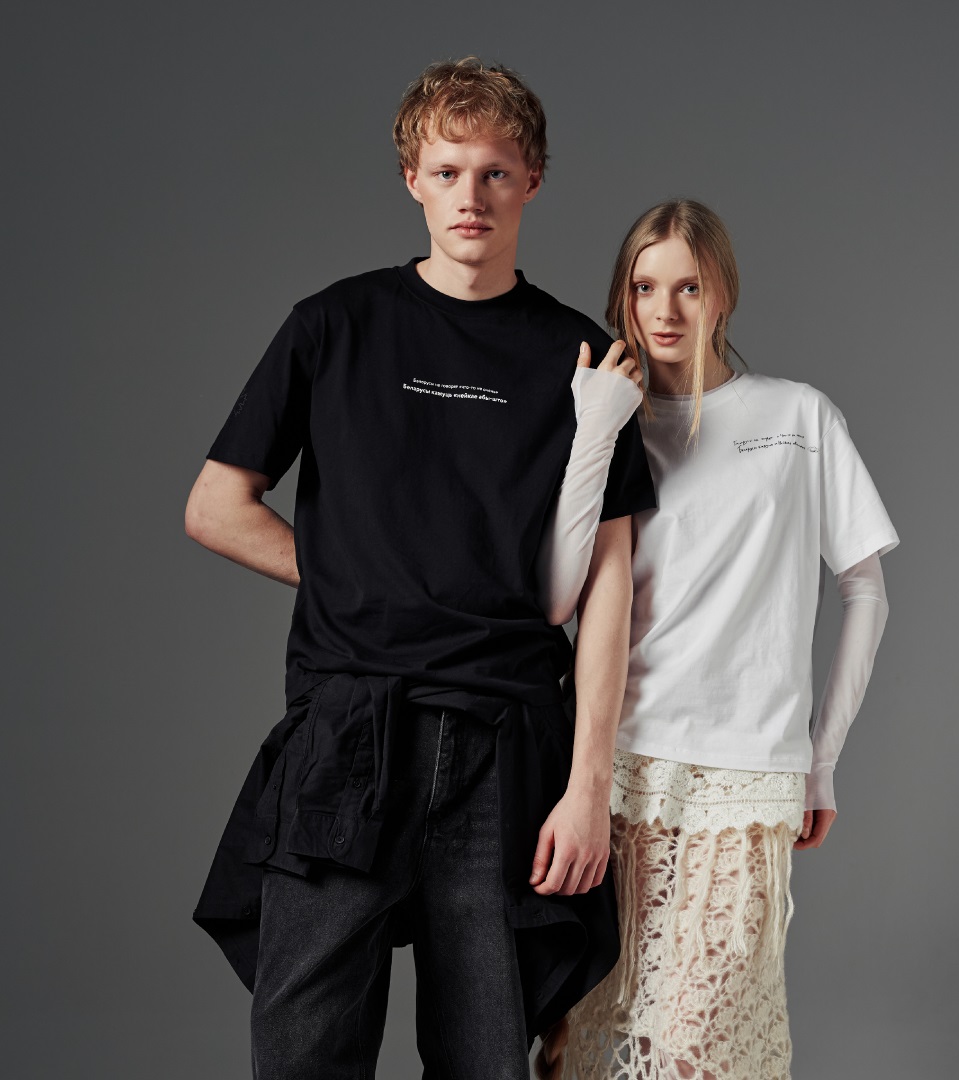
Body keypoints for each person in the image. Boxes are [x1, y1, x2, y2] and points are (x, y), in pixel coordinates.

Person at [184, 58, 654, 1080]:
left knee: (485, 1059)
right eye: (447, 171)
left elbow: (611, 583)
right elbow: (214, 507)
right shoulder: (333, 325)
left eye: (495, 172)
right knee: (303, 1054)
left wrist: (588, 786)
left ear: (532, 180)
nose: (470, 196)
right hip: (348, 728)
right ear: (412, 179)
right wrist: (361, 579)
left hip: (507, 747)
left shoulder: (581, 355)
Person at [537, 199, 899, 1080]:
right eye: (645, 287)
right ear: (623, 296)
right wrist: (593, 430)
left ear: (724, 292)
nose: (664, 311)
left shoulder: (798, 416)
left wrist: (822, 758)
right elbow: (557, 594)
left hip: (745, 778)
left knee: (698, 1051)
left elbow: (865, 590)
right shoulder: (608, 423)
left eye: (689, 287)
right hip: (611, 771)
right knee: (588, 1045)